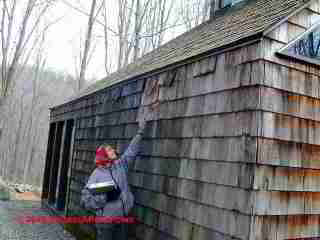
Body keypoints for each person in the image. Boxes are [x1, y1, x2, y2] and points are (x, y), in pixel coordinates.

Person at [80, 115, 147, 239]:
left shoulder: (120, 166)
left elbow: (131, 151)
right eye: (110, 150)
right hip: (105, 222)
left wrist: (140, 132)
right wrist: (105, 198)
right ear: (104, 156)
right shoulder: (97, 175)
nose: (114, 151)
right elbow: (85, 199)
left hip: (122, 218)